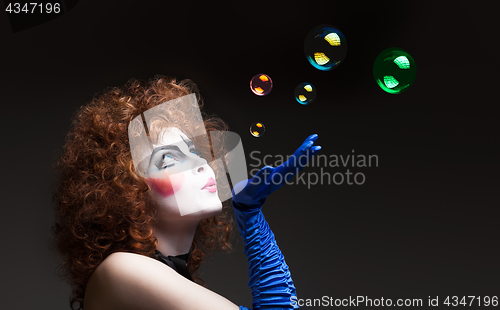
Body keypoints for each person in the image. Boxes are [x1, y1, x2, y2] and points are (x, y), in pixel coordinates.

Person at [53, 75, 321, 310]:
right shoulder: (120, 269)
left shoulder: (171, 280)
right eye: (169, 160)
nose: (201, 164)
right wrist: (250, 218)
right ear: (126, 190)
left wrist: (250, 212)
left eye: (193, 152)